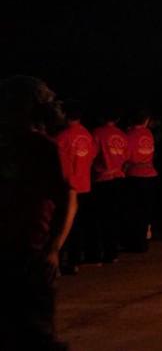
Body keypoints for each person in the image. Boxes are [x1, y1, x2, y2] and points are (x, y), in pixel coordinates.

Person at [0, 75, 76, 350]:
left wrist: (54, 248)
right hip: (5, 248)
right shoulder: (5, 144)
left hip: (32, 251)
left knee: (35, 329)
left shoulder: (45, 147)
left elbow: (69, 199)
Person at [55, 99, 97, 273]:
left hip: (68, 187)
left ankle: (63, 261)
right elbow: (92, 156)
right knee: (79, 225)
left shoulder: (62, 137)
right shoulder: (86, 134)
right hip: (85, 184)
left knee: (64, 225)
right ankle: (75, 259)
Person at [91, 109, 128, 262]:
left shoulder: (97, 133)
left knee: (100, 217)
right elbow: (126, 156)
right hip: (119, 178)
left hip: (102, 180)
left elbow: (91, 155)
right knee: (113, 216)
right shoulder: (122, 135)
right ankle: (112, 251)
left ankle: (101, 252)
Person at [121, 107, 157, 253]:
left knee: (133, 211)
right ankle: (142, 240)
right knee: (144, 210)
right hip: (149, 174)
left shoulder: (128, 136)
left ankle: (133, 242)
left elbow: (125, 157)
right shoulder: (148, 133)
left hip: (135, 174)